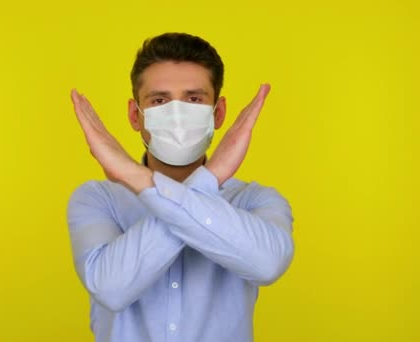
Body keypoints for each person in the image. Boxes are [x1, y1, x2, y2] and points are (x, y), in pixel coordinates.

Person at [67, 32, 294, 342]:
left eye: (193, 99)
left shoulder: (254, 200)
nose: (176, 115)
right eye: (160, 100)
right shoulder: (97, 199)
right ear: (136, 115)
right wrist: (209, 180)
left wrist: (138, 179)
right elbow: (110, 288)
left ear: (219, 113)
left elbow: (268, 265)